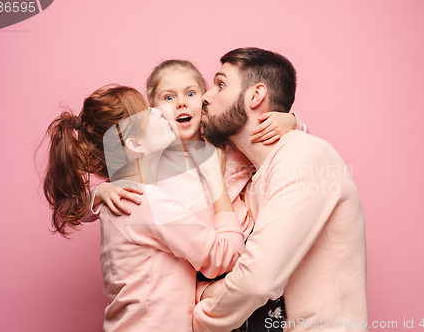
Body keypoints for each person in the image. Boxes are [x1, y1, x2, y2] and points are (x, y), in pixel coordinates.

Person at [88, 60, 310, 330]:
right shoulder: (150, 162)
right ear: (153, 110)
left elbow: (288, 148)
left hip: (241, 254)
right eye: (168, 98)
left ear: (205, 101)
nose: (181, 103)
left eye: (190, 93)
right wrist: (101, 190)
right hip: (201, 268)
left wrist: (292, 121)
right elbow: (100, 202)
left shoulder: (228, 146)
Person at [43, 85, 246, 332]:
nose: (160, 111)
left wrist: (98, 192)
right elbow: (225, 257)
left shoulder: (118, 194)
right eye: (147, 112)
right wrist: (217, 181)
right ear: (135, 144)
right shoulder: (143, 200)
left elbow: (74, 208)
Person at [193, 47, 369, 332]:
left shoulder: (304, 155)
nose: (205, 96)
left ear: (255, 95)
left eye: (220, 84)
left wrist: (198, 310)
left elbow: (258, 278)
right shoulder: (254, 178)